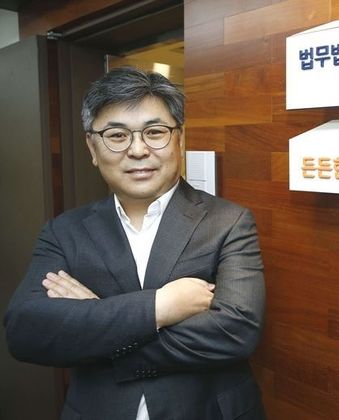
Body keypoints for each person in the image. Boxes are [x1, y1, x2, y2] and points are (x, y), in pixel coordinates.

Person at [3, 67, 266, 420]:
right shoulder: (64, 231)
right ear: (92, 147)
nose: (138, 150)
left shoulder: (228, 221)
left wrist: (94, 319)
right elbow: (26, 332)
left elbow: (235, 333)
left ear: (179, 139)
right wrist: (159, 307)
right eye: (117, 135)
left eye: (155, 132)